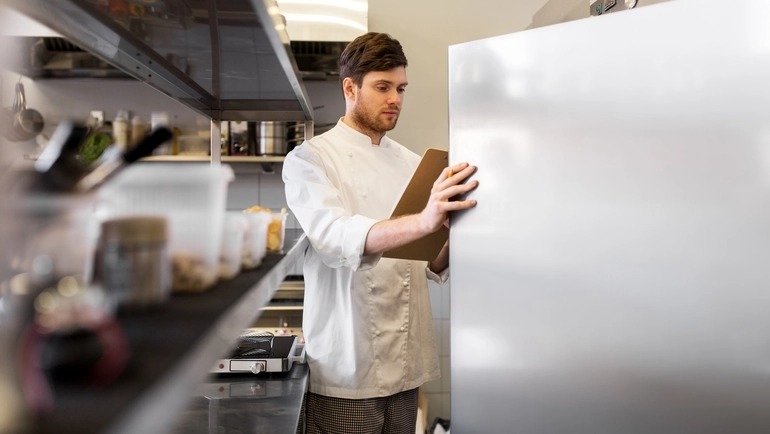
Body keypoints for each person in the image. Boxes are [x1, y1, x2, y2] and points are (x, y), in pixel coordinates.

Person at [282, 32, 478, 434]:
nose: (395, 99)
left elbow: (425, 260)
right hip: (347, 371)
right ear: (350, 88)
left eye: (401, 88)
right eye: (383, 87)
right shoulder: (310, 159)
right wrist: (424, 220)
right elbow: (334, 236)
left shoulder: (411, 162)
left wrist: (460, 234)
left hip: (406, 367)